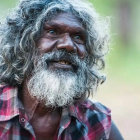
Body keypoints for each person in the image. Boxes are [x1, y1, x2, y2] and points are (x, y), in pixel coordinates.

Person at [0, 0, 124, 140]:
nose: (68, 45)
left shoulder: (96, 121)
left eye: (78, 37)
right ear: (23, 43)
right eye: (52, 32)